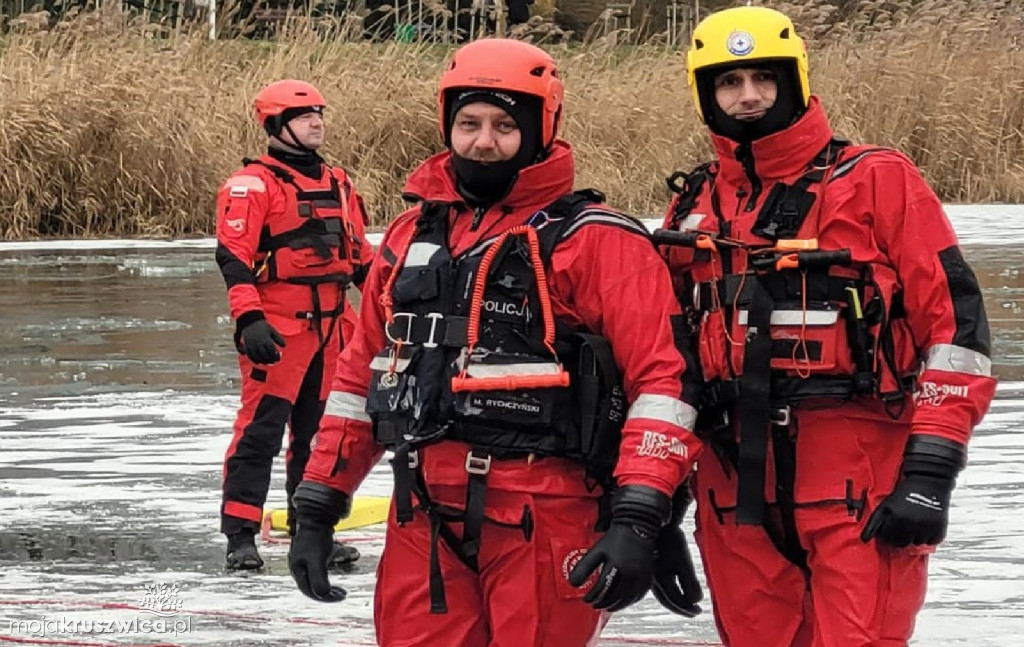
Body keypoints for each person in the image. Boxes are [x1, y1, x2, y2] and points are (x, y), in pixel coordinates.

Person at [287, 38, 705, 645]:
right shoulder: (410, 236)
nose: (484, 141)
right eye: (469, 123)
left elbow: (664, 384)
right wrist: (320, 502)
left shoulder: (596, 240)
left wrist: (641, 516)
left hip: (547, 511)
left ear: (541, 127)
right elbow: (362, 378)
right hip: (423, 511)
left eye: (506, 125)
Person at [656, 6, 997, 646]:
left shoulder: (877, 180)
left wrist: (931, 470)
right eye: (730, 82)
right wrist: (658, 508)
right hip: (734, 494)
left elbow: (958, 334)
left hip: (860, 478)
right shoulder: (694, 205)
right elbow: (665, 367)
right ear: (706, 94)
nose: (749, 96)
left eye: (765, 78)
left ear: (797, 80)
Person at [214, 79, 374, 570]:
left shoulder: (339, 183)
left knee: (321, 436)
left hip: (333, 330)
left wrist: (390, 310)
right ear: (278, 125)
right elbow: (234, 260)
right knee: (260, 433)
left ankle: (312, 531)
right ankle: (241, 536)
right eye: (305, 116)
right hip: (279, 329)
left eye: (319, 114)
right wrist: (250, 318)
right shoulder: (252, 186)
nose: (317, 123)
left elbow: (362, 259)